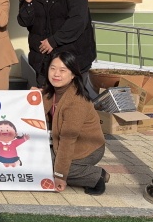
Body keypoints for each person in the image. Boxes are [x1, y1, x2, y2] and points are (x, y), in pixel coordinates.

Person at [17, 0, 98, 98]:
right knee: (47, 105)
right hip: (44, 64)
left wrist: (54, 41)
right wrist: (28, 1)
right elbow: (24, 21)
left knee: (73, 103)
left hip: (73, 62)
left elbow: (78, 20)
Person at [41, 51, 109, 195]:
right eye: (53, 68)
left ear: (73, 74)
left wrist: (60, 176)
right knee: (37, 159)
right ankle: (82, 172)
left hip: (87, 148)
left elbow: (67, 141)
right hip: (60, 144)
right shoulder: (50, 92)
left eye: (62, 70)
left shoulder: (76, 102)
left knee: (48, 166)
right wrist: (31, 96)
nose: (56, 74)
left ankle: (95, 176)